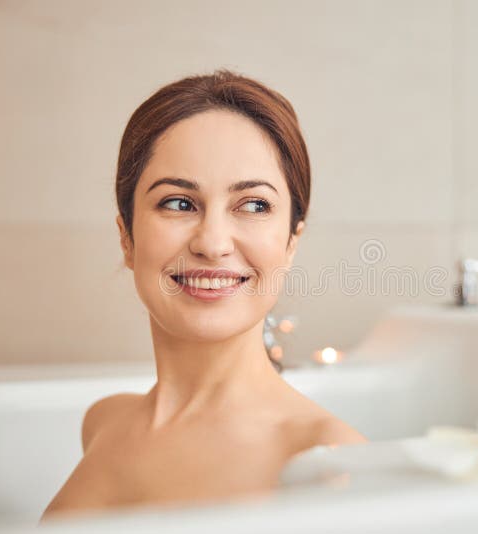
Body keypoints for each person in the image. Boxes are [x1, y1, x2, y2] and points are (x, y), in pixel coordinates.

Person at [41, 70, 367, 521]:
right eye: (178, 203)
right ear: (127, 238)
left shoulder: (327, 461)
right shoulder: (104, 422)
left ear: (292, 242)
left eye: (253, 205)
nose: (212, 243)